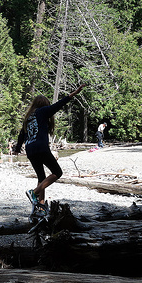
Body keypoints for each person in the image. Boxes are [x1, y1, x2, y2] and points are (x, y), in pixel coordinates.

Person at [14, 84, 87, 212]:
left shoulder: (28, 117)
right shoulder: (42, 111)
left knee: (41, 178)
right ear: (44, 105)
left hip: (30, 150)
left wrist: (17, 148)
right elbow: (58, 105)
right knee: (57, 172)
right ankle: (34, 192)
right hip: (40, 147)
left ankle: (40, 207)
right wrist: (74, 93)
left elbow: (21, 134)